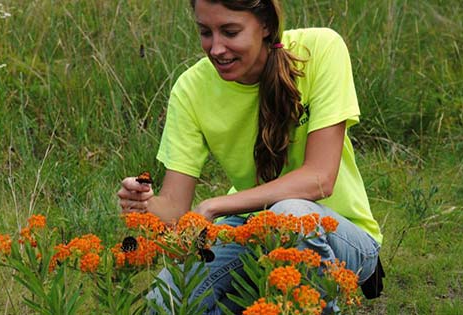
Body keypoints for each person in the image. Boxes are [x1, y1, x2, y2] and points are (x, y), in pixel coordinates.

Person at [118, 0, 383, 313]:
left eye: (230, 32)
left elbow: (319, 179)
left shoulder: (322, 48)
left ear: (267, 25)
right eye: (205, 32)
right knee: (164, 304)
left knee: (289, 217)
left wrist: (215, 205)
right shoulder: (190, 89)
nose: (216, 48)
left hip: (343, 238)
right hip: (248, 230)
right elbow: (175, 212)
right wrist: (145, 203)